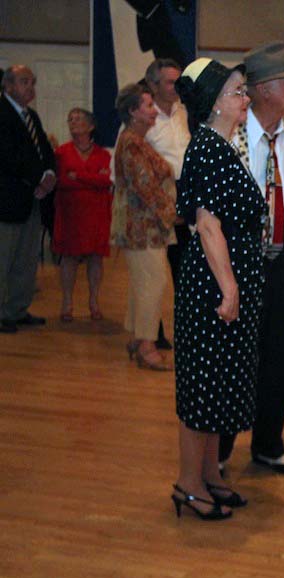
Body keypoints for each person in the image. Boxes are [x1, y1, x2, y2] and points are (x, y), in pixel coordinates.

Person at [170, 57, 264, 520]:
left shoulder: (221, 145)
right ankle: (188, 483)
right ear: (214, 103)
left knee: (218, 382)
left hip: (228, 275)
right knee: (201, 384)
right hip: (212, 280)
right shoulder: (207, 147)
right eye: (238, 92)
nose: (246, 99)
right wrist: (228, 289)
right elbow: (208, 227)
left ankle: (209, 474)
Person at [218, 40, 284, 477]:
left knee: (279, 352)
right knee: (232, 352)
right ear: (259, 90)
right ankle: (217, 450)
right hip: (239, 253)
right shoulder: (229, 140)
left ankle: (268, 444)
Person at [110, 83, 176, 370]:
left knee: (143, 283)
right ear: (133, 112)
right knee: (154, 282)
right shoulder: (133, 142)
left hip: (144, 225)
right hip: (142, 226)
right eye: (148, 106)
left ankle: (139, 339)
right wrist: (174, 213)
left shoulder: (135, 139)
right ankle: (148, 345)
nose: (153, 111)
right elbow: (145, 186)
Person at [0, 65, 56, 334]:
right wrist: (38, 178)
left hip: (33, 199)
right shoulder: (1, 113)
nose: (30, 87)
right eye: (24, 82)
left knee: (25, 259)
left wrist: (50, 175)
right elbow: (8, 156)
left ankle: (17, 309)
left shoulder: (31, 115)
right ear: (8, 86)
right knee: (4, 259)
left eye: (32, 82)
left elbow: (43, 149)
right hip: (8, 200)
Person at [144, 58, 191, 350]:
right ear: (152, 84)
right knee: (154, 274)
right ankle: (152, 333)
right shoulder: (144, 119)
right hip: (156, 199)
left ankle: (185, 331)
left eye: (178, 81)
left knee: (184, 271)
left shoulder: (182, 112)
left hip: (184, 196)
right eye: (170, 82)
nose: (176, 88)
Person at [52, 108, 113, 321]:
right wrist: (91, 178)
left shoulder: (103, 154)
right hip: (70, 212)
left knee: (96, 258)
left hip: (96, 213)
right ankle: (67, 302)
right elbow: (61, 181)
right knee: (68, 257)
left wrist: (77, 175)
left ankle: (94, 301)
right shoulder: (61, 152)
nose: (73, 122)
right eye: (70, 119)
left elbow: (106, 181)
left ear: (91, 125)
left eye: (78, 119)